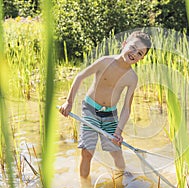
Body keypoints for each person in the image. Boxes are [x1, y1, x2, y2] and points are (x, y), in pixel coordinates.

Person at [59, 31, 152, 178]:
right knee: (87, 152)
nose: (134, 53)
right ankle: (85, 187)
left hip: (110, 114)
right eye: (133, 47)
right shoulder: (105, 61)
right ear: (124, 44)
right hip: (90, 110)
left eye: (140, 53)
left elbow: (127, 108)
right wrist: (68, 102)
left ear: (141, 58)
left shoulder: (132, 78)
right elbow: (80, 77)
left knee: (116, 152)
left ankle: (122, 181)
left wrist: (118, 131)